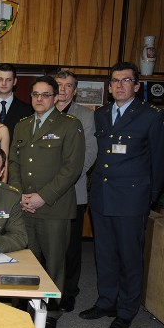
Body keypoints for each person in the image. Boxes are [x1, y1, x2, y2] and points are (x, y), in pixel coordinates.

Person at [79, 62, 164, 328]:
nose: (119, 85)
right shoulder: (102, 114)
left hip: (132, 198)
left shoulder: (152, 115)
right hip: (103, 197)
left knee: (130, 256)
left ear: (136, 86)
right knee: (104, 254)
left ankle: (126, 310)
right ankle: (106, 301)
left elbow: (161, 159)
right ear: (109, 87)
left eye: (126, 80)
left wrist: (150, 198)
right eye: (115, 81)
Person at [8, 75, 85, 328]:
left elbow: (71, 169)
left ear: (55, 97)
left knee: (54, 262)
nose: (39, 99)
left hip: (53, 207)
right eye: (35, 95)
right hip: (24, 205)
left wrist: (42, 196)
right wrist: (20, 194)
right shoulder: (22, 126)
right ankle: (21, 303)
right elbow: (14, 164)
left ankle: (51, 311)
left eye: (45, 95)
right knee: (24, 258)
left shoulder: (68, 125)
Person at [54, 70, 97, 313]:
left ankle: (69, 292)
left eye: (68, 85)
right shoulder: (43, 111)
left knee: (71, 247)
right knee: (47, 246)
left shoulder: (85, 116)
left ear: (75, 90)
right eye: (59, 84)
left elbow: (89, 153)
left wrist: (63, 181)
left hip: (73, 191)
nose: (63, 89)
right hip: (44, 195)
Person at [0, 63, 33, 139]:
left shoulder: (27, 110)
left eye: (8, 80)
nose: (4, 83)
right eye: (0, 79)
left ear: (14, 81)